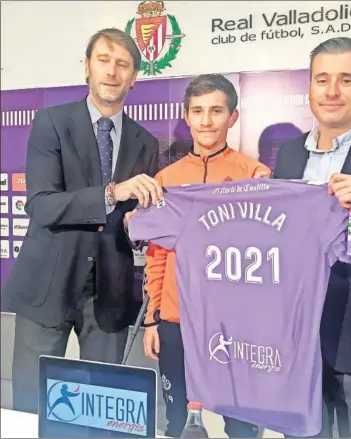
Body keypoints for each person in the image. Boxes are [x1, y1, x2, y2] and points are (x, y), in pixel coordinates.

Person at [2, 27, 162, 414]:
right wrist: (113, 193)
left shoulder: (146, 142)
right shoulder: (51, 122)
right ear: (87, 68)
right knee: (31, 403)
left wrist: (142, 226)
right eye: (103, 61)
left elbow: (137, 220)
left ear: (134, 77)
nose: (112, 72)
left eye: (122, 64)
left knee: (102, 405)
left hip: (110, 290)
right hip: (47, 283)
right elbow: (41, 204)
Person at [138, 74, 271, 438]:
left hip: (237, 323)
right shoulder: (166, 179)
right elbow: (158, 255)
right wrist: (153, 319)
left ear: (233, 117)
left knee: (243, 424)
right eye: (198, 111)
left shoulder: (255, 176)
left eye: (216, 111)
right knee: (177, 421)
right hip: (176, 319)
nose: (207, 120)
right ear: (187, 116)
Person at [273, 37, 351, 438]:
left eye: (346, 79)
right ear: (310, 87)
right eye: (322, 80)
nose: (331, 91)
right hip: (297, 340)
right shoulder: (288, 155)